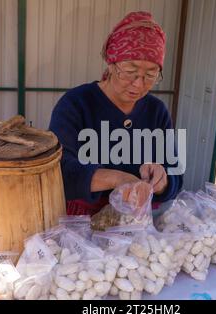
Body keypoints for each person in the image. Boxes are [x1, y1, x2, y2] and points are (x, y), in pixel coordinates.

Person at [49, 11, 183, 215]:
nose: (138, 84)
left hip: (137, 220)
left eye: (150, 75)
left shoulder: (157, 112)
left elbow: (176, 173)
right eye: (130, 71)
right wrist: (118, 179)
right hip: (80, 222)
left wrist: (162, 180)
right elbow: (59, 171)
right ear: (111, 64)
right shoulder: (76, 104)